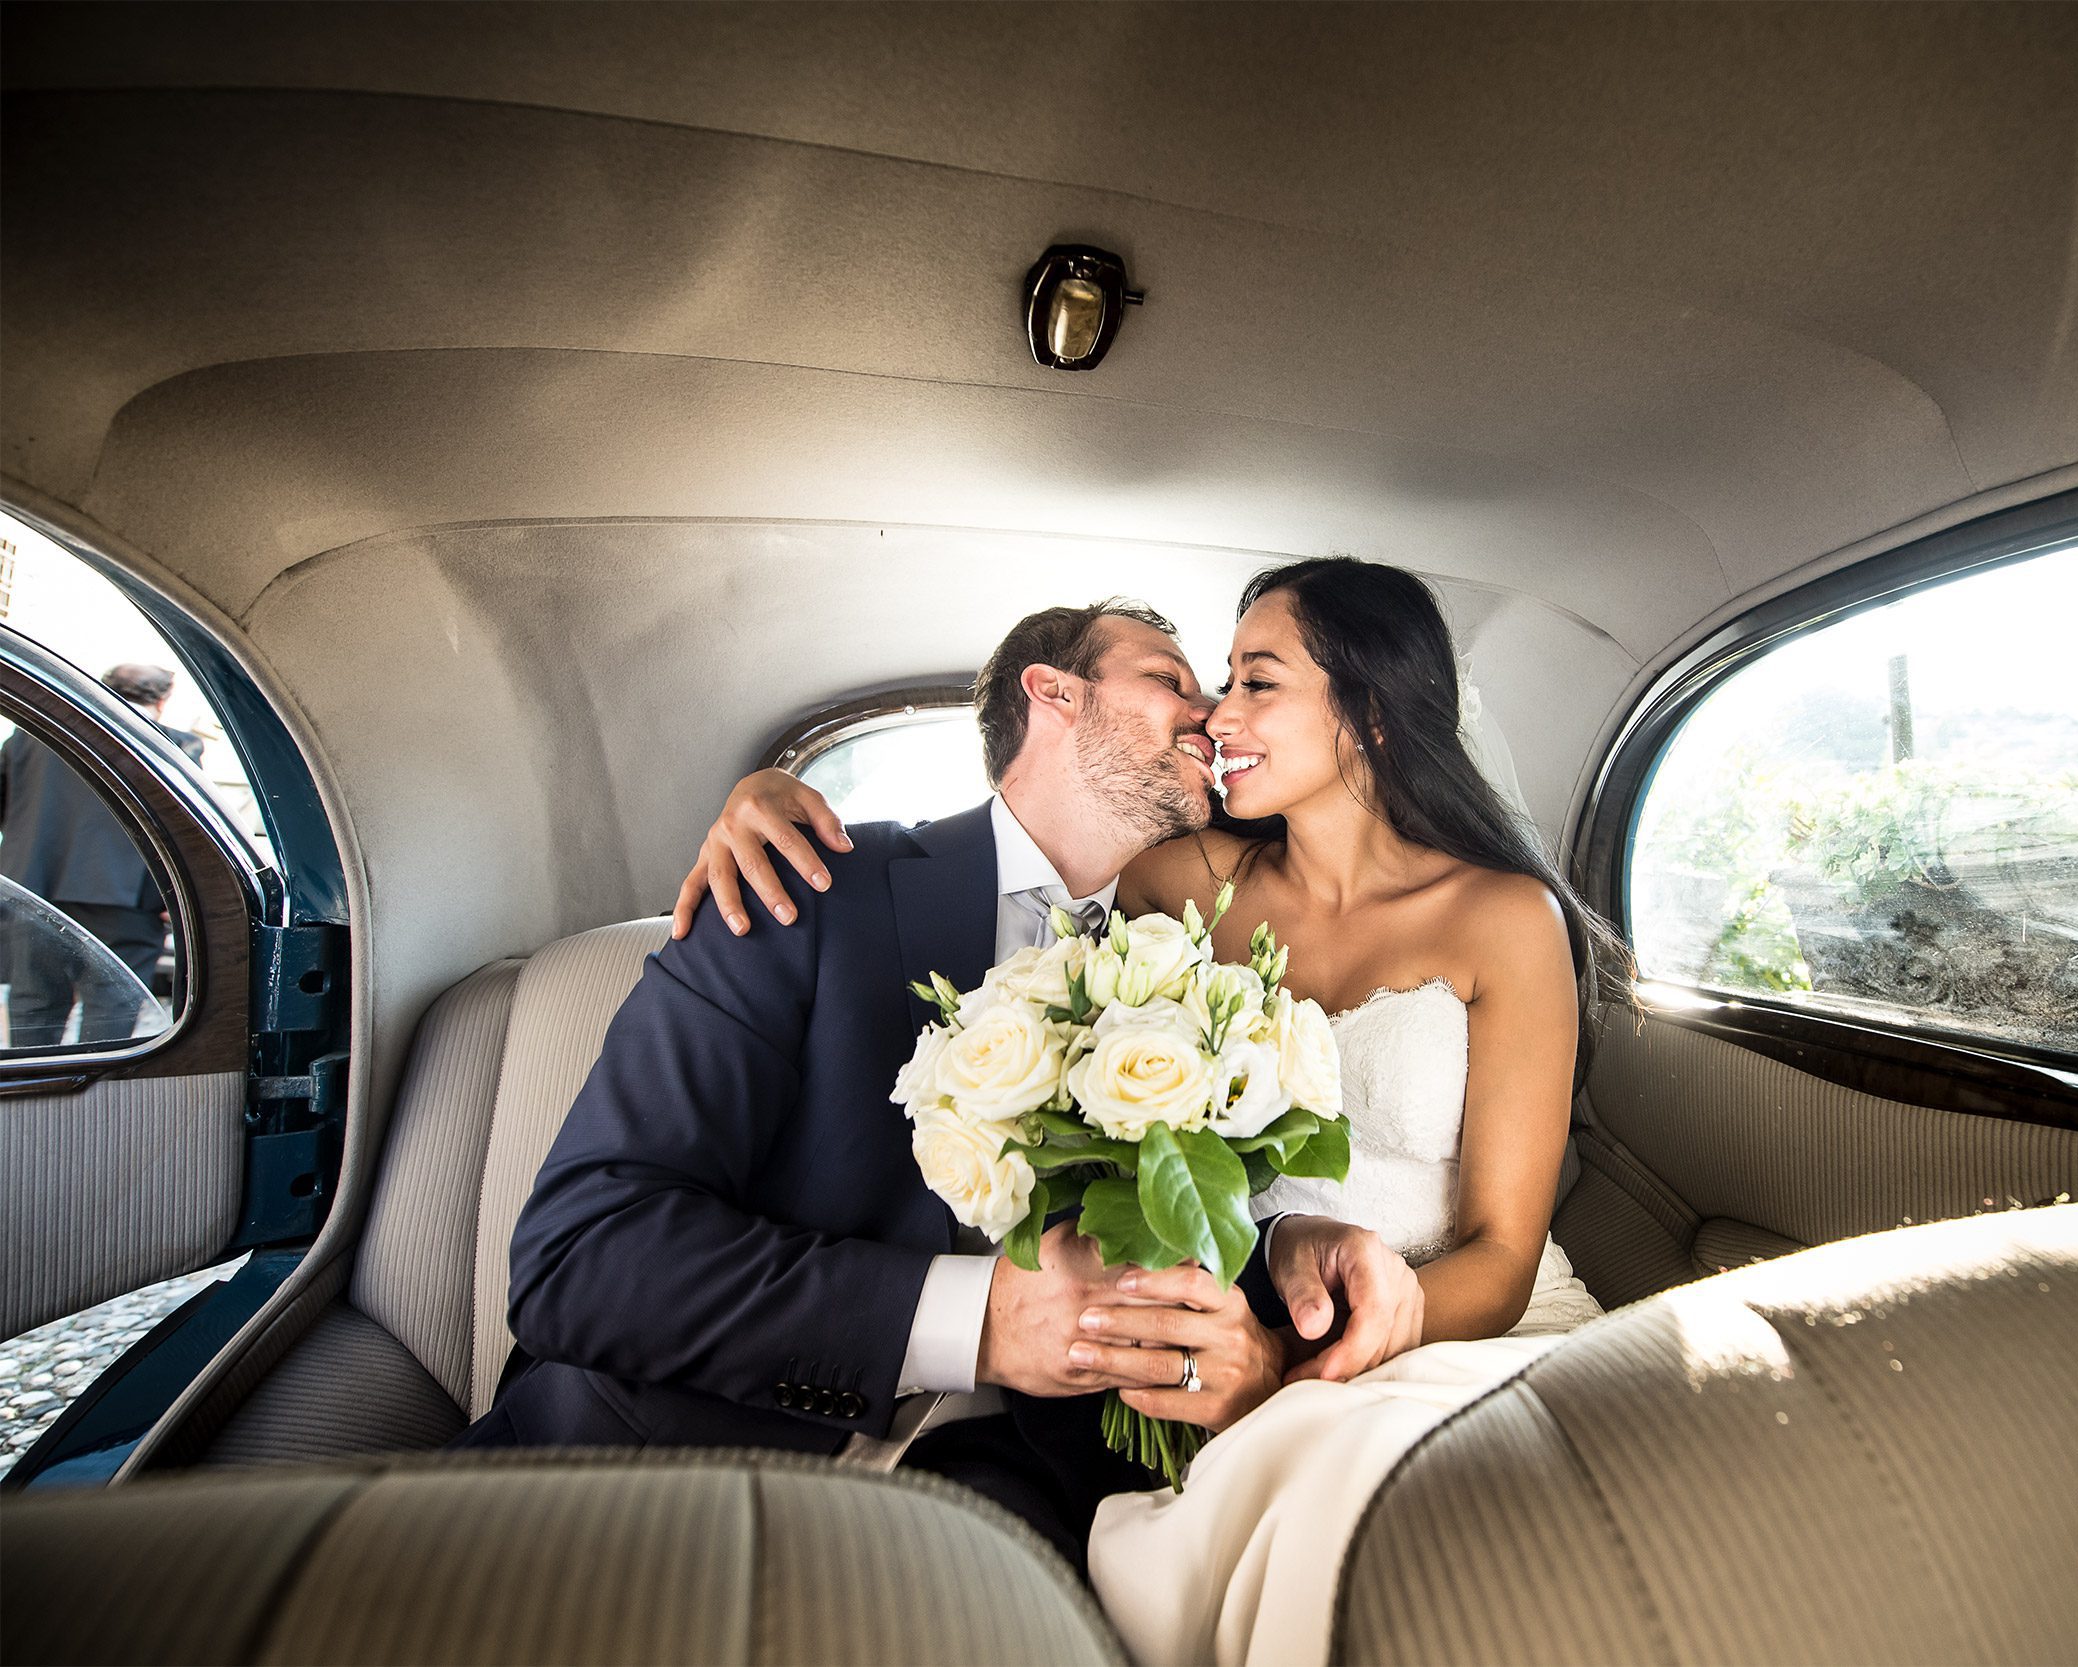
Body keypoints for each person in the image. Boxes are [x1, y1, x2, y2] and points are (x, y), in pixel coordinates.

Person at [680, 558, 1624, 1660]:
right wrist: (764, 800)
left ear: (1367, 709)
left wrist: (1313, 1368)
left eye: (1254, 682)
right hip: (1238, 1318)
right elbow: (1034, 839)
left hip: (1459, 1326)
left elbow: (1504, 1253)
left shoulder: (1503, 915)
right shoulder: (1171, 880)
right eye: (1213, 681)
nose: (1217, 713)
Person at [462, 599, 1423, 1571]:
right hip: (648, 1479)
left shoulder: (1197, 962)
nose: (1212, 714)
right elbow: (579, 1256)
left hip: (1008, 1522)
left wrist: (1290, 1246)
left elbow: (1133, 1228)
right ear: (1051, 693)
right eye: (1170, 680)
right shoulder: (802, 882)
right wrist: (982, 1323)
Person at [0, 663, 203, 1046]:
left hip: (36, 890)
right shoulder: (175, 745)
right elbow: (184, 832)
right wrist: (172, 898)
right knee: (113, 1004)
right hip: (126, 900)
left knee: (35, 1001)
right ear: (163, 699)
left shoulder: (30, 737)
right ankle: (96, 1099)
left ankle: (33, 1090)